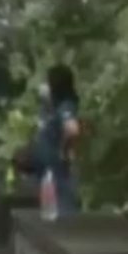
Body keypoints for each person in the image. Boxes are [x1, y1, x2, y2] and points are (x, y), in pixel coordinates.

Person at [37, 64, 81, 217]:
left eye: (47, 82)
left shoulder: (66, 107)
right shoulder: (50, 108)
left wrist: (63, 151)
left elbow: (72, 129)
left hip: (61, 173)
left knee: (64, 212)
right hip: (49, 173)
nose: (44, 86)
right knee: (50, 213)